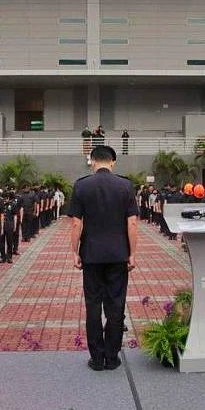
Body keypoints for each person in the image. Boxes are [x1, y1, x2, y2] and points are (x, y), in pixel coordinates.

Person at [68, 145, 138, 372]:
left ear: (92, 161)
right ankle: (112, 356)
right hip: (118, 255)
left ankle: (97, 358)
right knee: (116, 305)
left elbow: (76, 222)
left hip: (91, 254)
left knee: (93, 305)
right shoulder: (125, 186)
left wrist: (75, 251)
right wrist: (132, 253)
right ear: (113, 162)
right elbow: (132, 223)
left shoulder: (81, 186)